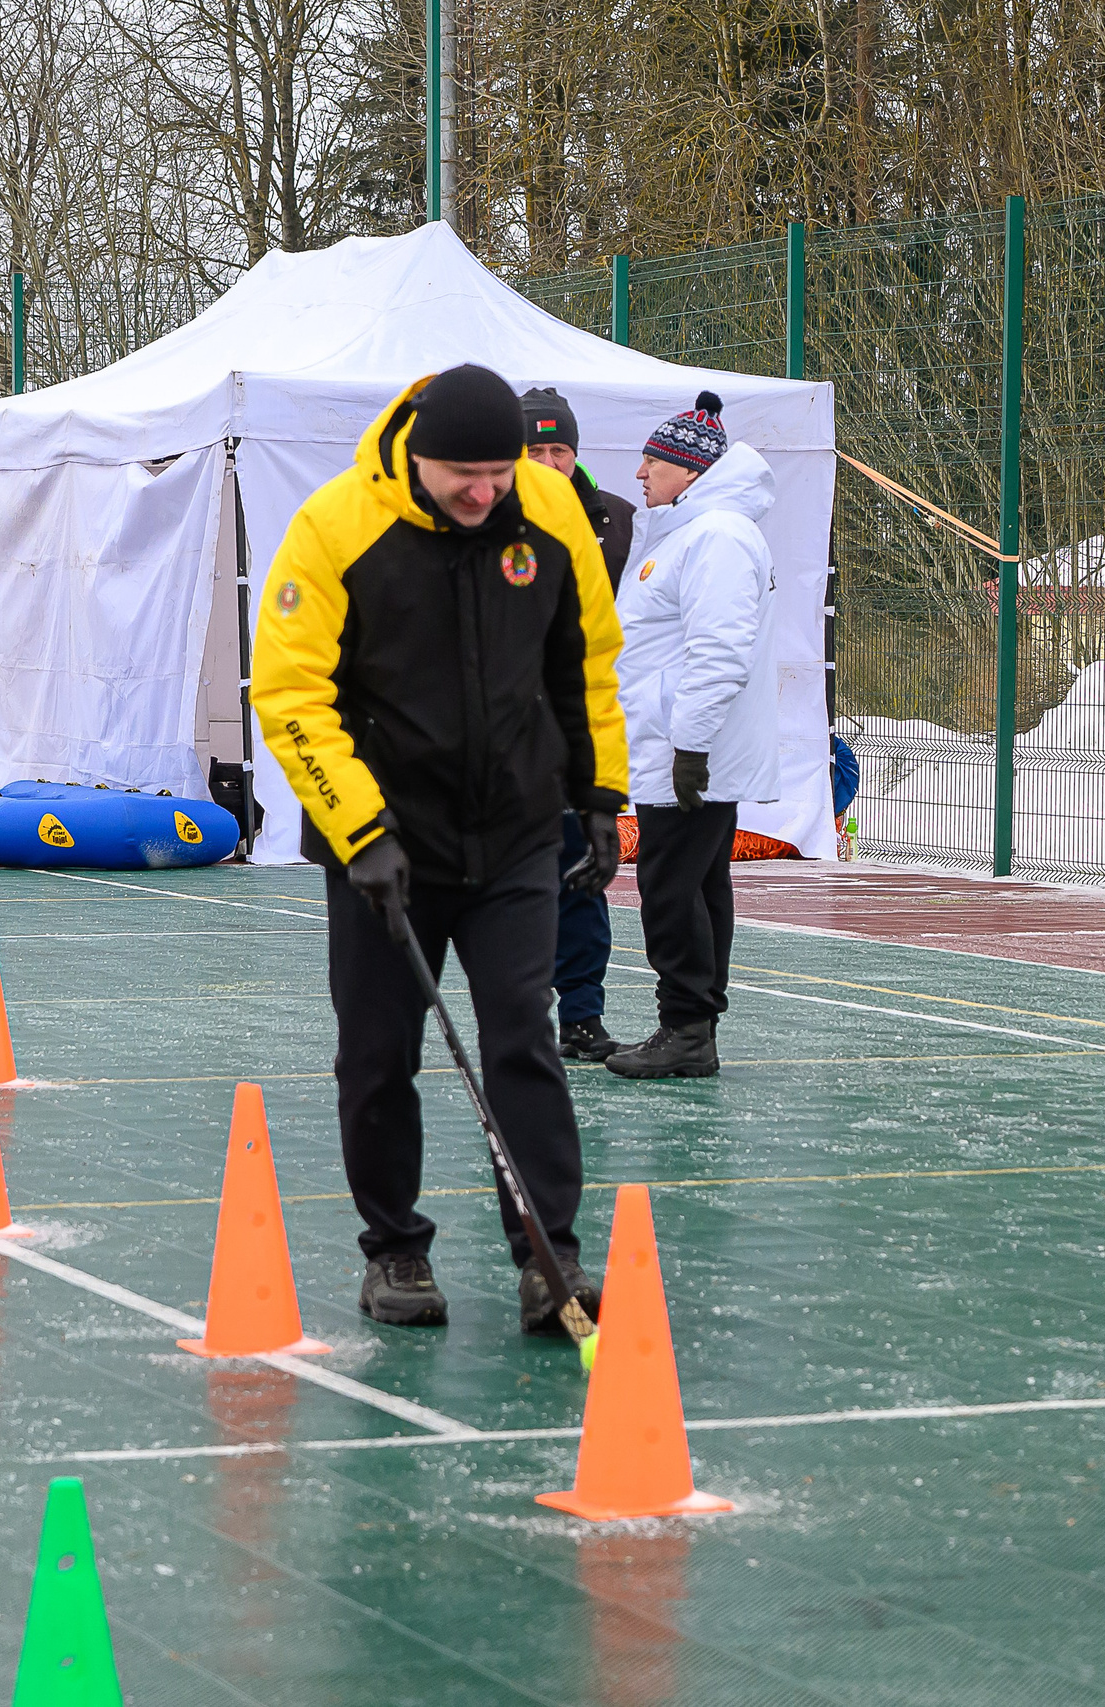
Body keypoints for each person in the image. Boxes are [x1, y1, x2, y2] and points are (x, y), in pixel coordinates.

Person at [250, 363, 629, 1334]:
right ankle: (395, 1250)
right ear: (417, 458)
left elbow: (585, 662)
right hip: (386, 845)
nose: (485, 493)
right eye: (465, 475)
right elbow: (291, 695)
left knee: (522, 1034)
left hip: (513, 833)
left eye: (499, 474)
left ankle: (549, 1255)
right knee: (379, 1052)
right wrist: (360, 831)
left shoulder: (548, 512)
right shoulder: (335, 527)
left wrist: (599, 796)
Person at [607, 391, 781, 1081]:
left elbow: (718, 651)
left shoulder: (717, 537)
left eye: (652, 461)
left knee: (671, 887)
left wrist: (690, 747)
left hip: (687, 750)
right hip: (678, 743)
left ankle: (685, 1027)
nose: (640, 473)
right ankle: (692, 1026)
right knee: (697, 883)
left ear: (690, 469)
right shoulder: (695, 533)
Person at [522, 386, 638, 1062]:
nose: (547, 463)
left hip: (582, 727)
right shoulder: (486, 516)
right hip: (509, 733)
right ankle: (519, 1012)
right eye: (533, 450)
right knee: (513, 886)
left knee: (584, 879)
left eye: (558, 449)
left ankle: (583, 1015)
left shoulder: (618, 520)